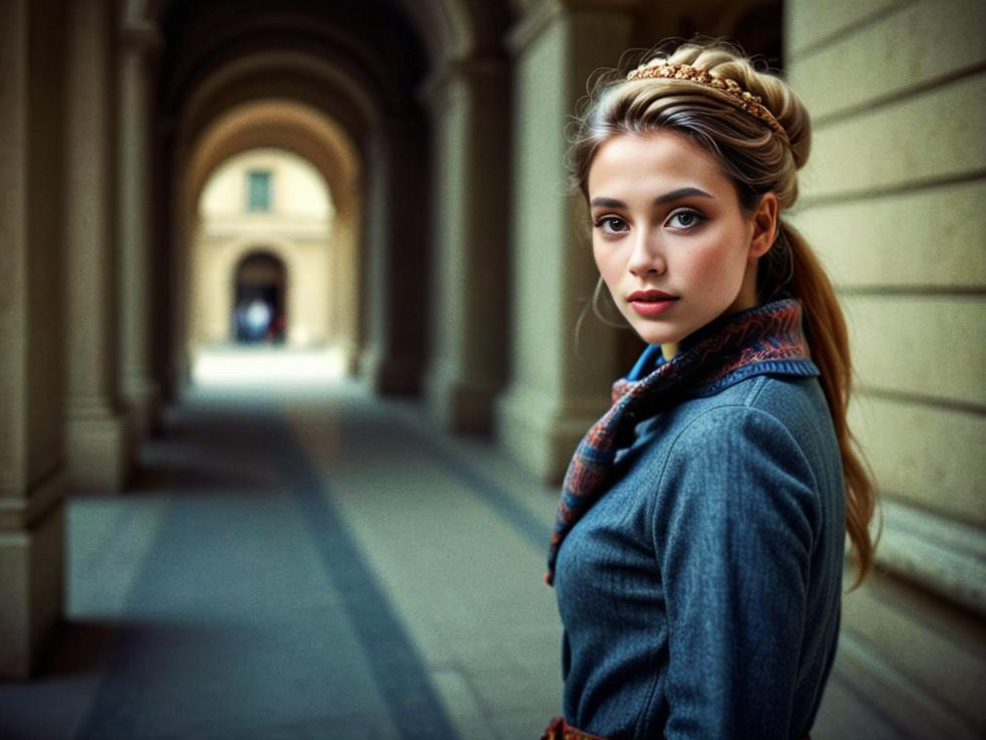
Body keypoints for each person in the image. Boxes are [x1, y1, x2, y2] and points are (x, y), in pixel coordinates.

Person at [541, 41, 876, 740]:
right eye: (613, 221)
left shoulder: (732, 435)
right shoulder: (694, 393)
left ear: (760, 225)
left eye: (683, 216)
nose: (640, 260)